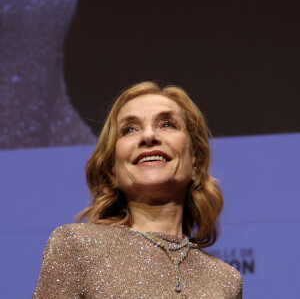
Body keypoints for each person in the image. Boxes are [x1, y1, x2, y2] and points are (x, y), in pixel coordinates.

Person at [33, 81, 243, 298]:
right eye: (129, 129)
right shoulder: (77, 246)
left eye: (167, 124)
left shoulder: (225, 280)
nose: (148, 136)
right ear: (112, 170)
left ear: (195, 163)